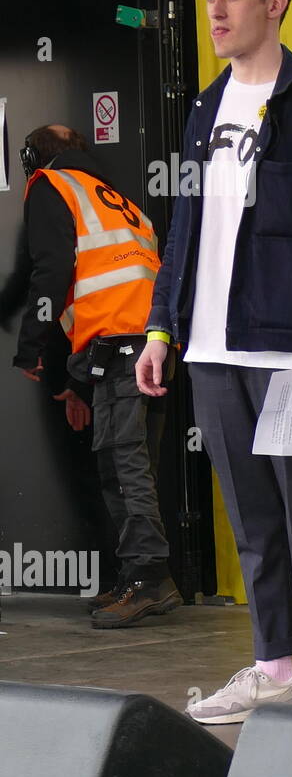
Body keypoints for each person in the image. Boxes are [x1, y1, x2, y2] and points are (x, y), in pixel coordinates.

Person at [136, 0, 292, 723]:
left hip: (289, 348)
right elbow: (184, 229)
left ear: (275, 2)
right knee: (252, 519)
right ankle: (272, 661)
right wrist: (162, 327)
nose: (216, 12)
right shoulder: (206, 106)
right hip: (209, 348)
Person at [13, 123, 178, 625]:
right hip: (153, 342)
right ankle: (141, 578)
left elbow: (53, 270)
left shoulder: (52, 185)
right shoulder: (120, 202)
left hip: (124, 346)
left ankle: (149, 578)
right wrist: (75, 377)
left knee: (125, 464)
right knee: (129, 464)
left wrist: (31, 347)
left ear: (33, 159)